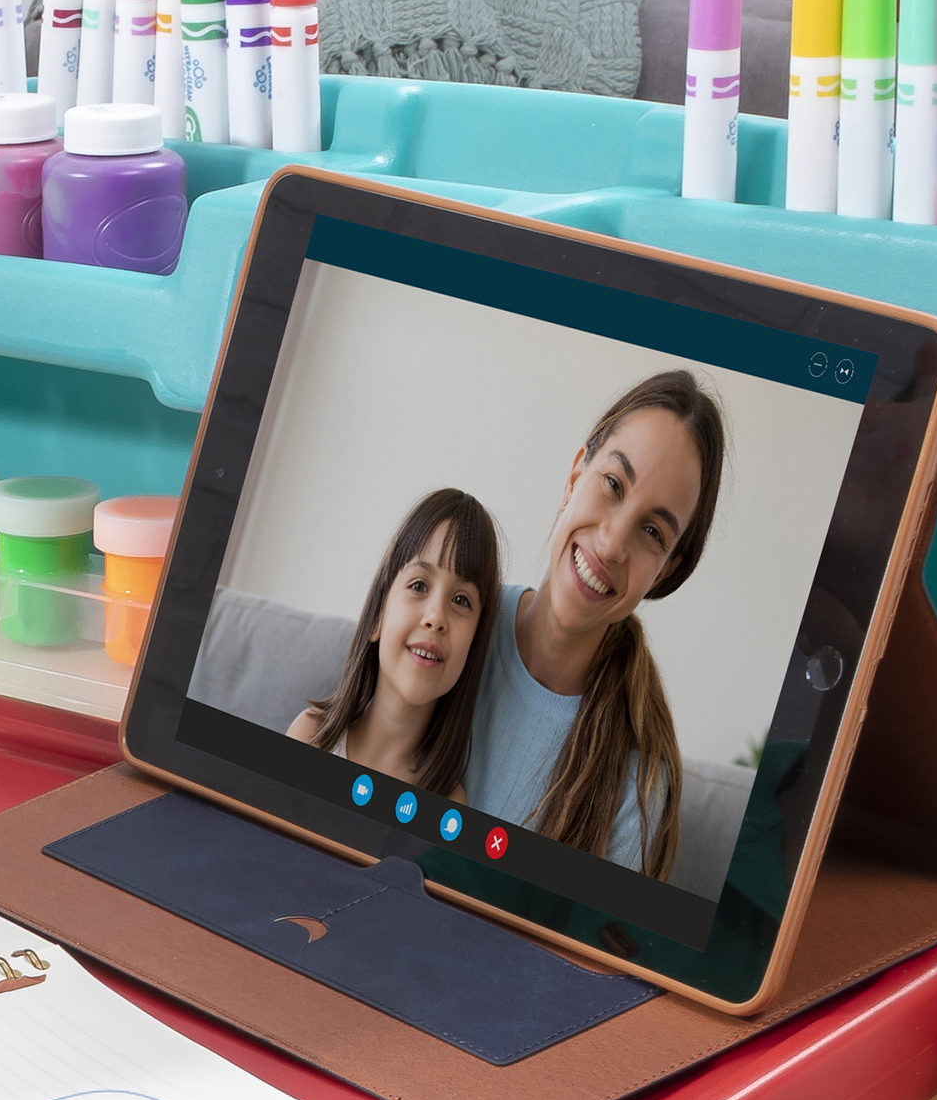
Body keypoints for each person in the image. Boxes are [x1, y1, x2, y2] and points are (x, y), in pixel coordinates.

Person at [461, 372, 728, 883]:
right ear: (574, 476)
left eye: (652, 531)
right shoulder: (450, 624)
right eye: (613, 485)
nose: (610, 545)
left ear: (665, 570)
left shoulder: (638, 782)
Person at [286, 487, 502, 800]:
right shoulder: (311, 736)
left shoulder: (449, 806)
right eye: (419, 585)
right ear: (376, 616)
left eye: (460, 600)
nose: (435, 617)